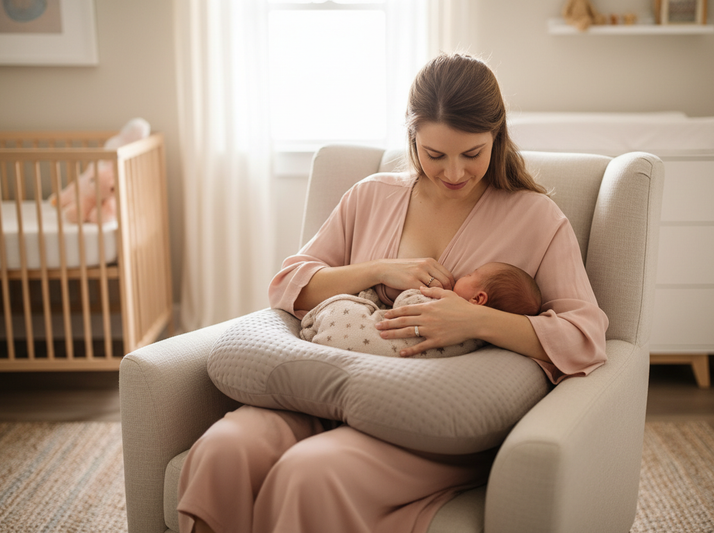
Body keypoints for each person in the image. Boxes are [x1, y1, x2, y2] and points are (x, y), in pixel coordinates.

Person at [178, 52, 608, 533]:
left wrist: (475, 321)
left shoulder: (536, 218)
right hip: (324, 395)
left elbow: (584, 336)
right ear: (412, 138)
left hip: (425, 423)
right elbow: (290, 286)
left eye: (472, 154)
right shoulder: (372, 195)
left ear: (498, 136)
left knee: (310, 474)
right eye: (434, 154)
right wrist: (379, 270)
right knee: (223, 449)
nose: (453, 173)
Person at [300, 262, 541, 358]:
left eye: (470, 275)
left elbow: (405, 305)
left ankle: (317, 327)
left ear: (479, 299)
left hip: (353, 339)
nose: (462, 275)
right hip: (367, 356)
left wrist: (421, 290)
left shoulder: (447, 310)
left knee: (346, 307)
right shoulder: (480, 343)